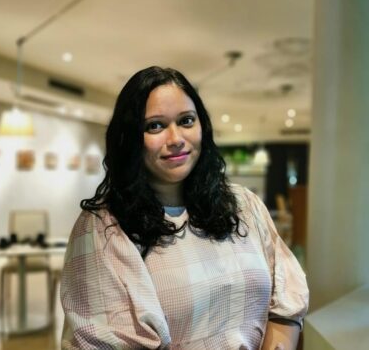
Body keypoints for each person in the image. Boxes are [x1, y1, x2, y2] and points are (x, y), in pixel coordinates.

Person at [61, 66, 309, 350]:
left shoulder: (244, 205)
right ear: (130, 138)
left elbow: (286, 300)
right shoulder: (103, 227)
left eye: (186, 121)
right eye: (155, 126)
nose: (176, 139)